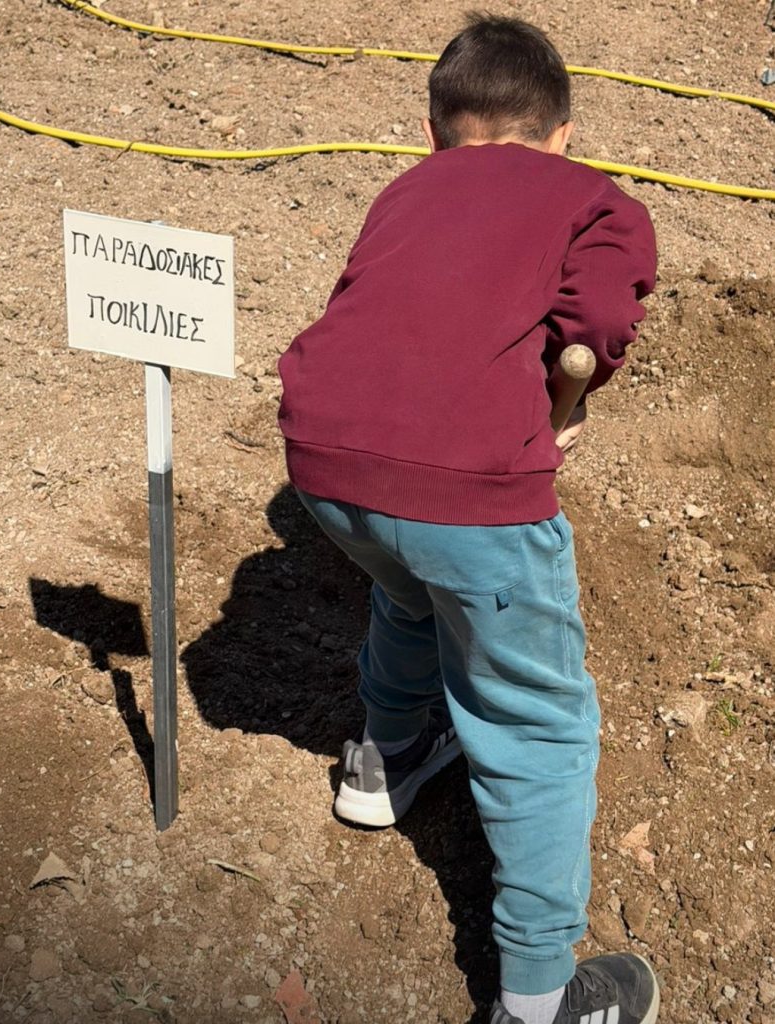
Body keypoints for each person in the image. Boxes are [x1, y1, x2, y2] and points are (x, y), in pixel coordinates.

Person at [277, 13, 658, 1024]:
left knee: (410, 587)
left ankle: (386, 757)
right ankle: (539, 997)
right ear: (564, 132)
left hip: (321, 460)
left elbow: (387, 312)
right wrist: (572, 392)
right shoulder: (594, 199)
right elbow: (600, 322)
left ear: (432, 130)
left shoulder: (405, 189)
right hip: (473, 490)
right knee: (537, 719)